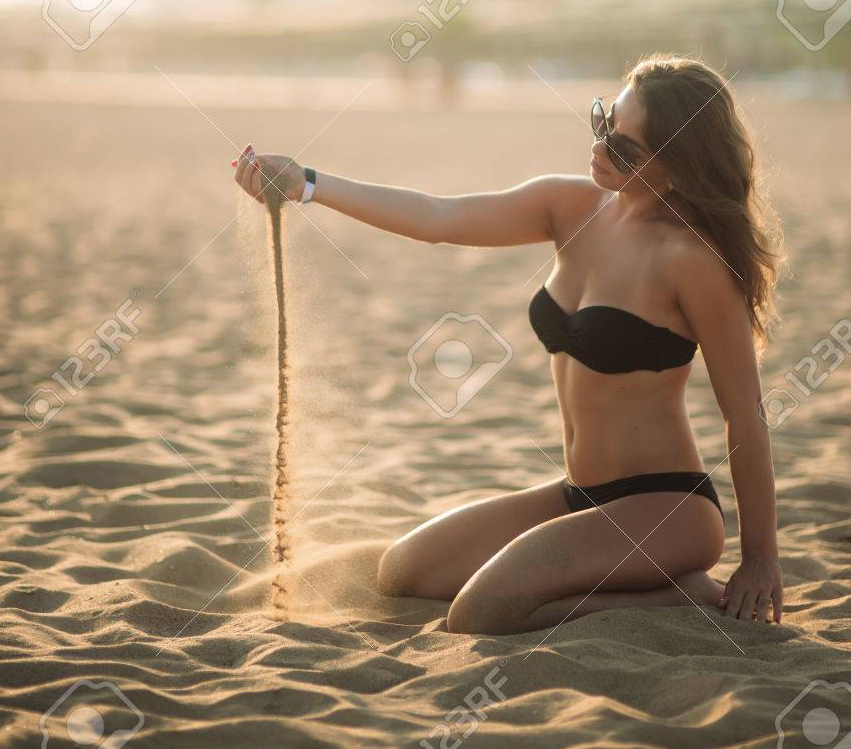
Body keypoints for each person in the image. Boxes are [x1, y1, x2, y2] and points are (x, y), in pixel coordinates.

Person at [232, 53, 785, 636]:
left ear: (676, 166)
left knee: (481, 613)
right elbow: (439, 217)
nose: (599, 148)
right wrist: (307, 184)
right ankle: (640, 584)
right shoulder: (569, 205)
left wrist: (761, 560)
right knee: (405, 572)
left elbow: (744, 416)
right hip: (580, 495)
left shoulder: (691, 261)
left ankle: (683, 596)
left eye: (624, 148)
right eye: (603, 123)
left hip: (665, 509)